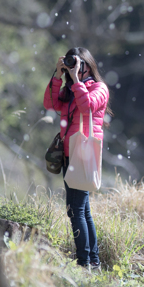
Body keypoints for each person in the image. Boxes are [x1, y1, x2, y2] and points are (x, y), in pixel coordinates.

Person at [43, 47, 109, 270]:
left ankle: (84, 263)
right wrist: (57, 76)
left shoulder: (99, 88)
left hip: (83, 154)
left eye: (77, 64)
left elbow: (88, 106)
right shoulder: (70, 90)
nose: (73, 68)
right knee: (83, 210)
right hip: (68, 154)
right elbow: (50, 105)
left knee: (75, 210)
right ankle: (93, 261)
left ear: (87, 66)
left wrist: (76, 79)